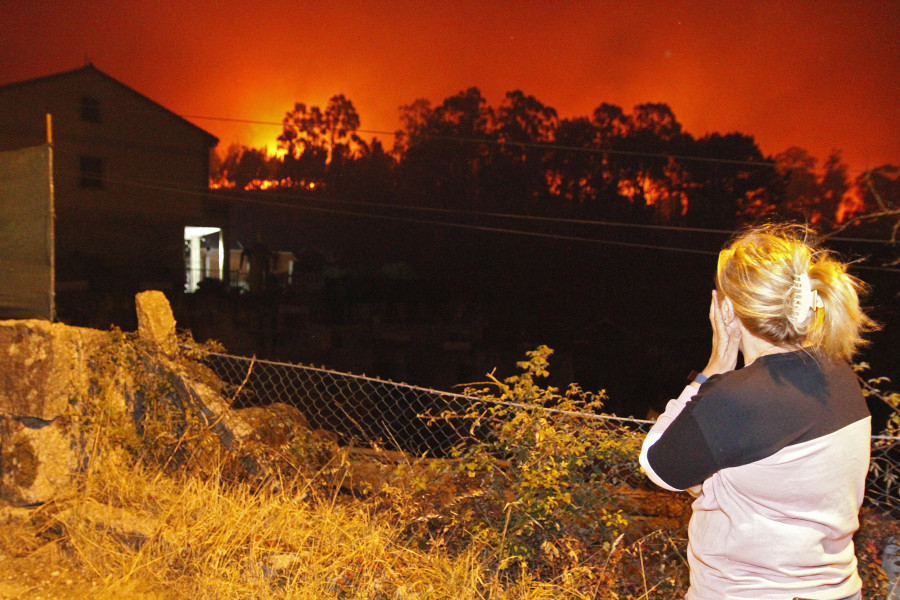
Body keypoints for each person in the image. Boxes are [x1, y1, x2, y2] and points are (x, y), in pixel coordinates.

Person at [639, 223, 878, 600]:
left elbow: (658, 463)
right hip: (838, 591)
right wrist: (717, 479)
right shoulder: (838, 375)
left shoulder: (739, 397)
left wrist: (717, 364)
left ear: (729, 308)